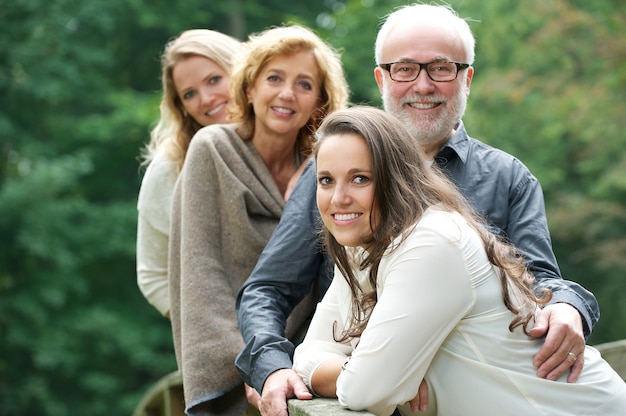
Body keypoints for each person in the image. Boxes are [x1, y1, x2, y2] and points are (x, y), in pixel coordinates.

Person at [236, 4, 600, 415]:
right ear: (381, 78)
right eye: (404, 68)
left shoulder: (506, 179)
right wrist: (273, 366)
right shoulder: (332, 173)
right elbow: (270, 288)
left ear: (467, 78)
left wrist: (570, 306)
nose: (422, 85)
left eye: (441, 68)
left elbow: (535, 287)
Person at [292, 105, 626, 416]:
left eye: (360, 178)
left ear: (397, 179)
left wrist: (372, 374)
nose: (339, 198)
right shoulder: (361, 246)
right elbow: (313, 352)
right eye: (326, 180)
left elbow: (365, 390)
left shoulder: (433, 243)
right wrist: (368, 373)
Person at [168, 24, 349, 415]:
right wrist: (259, 365)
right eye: (274, 78)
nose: (287, 93)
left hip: (307, 359)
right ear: (250, 88)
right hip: (230, 362)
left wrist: (296, 362)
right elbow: (201, 274)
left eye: (304, 84)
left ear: (319, 101)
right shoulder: (212, 149)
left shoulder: (328, 169)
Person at [137, 29, 242, 318]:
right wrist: (210, 329)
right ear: (180, 106)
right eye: (189, 94)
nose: (207, 99)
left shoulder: (293, 139)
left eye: (214, 80)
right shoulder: (169, 169)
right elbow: (152, 275)